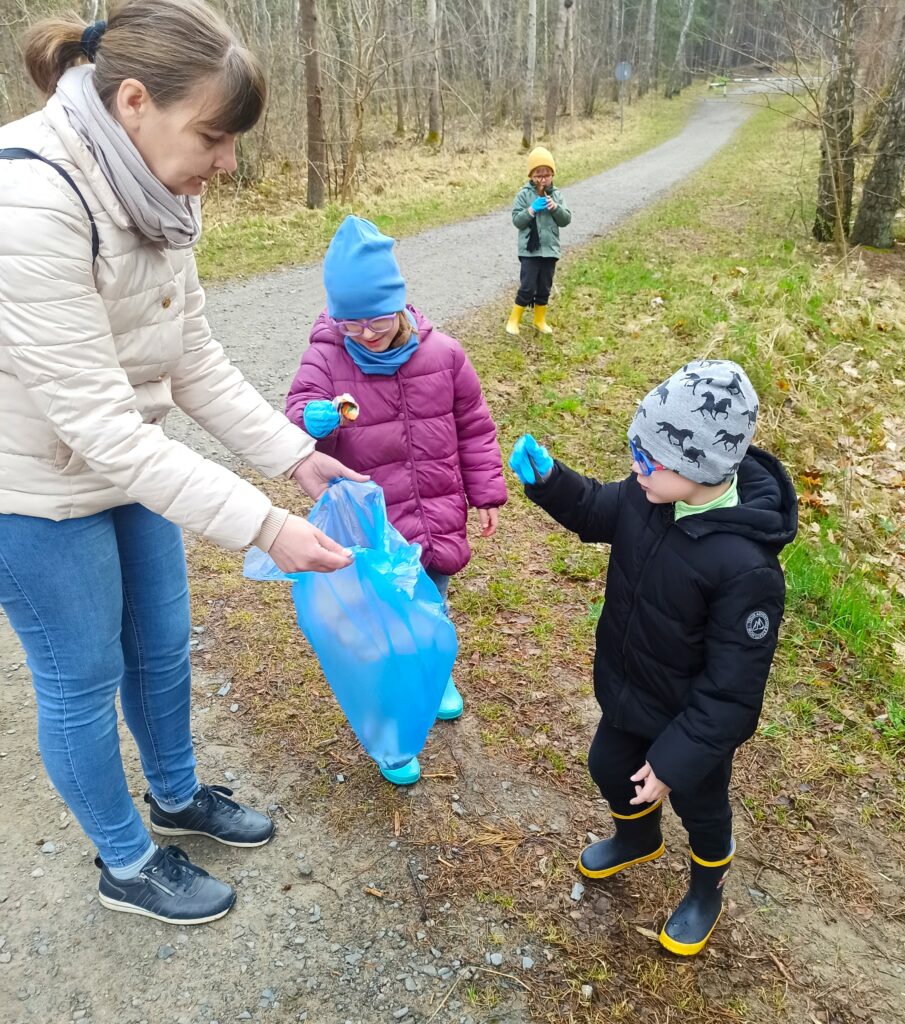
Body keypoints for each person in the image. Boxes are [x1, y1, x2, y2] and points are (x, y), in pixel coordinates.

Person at [0, 1, 369, 926]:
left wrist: (298, 460)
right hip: (32, 486)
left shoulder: (159, 194)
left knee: (160, 647)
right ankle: (124, 860)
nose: (228, 163)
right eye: (214, 136)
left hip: (123, 460)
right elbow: (103, 432)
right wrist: (267, 526)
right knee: (81, 676)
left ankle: (176, 795)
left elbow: (193, 359)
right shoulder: (33, 203)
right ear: (134, 102)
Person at [508, 360, 797, 956]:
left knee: (702, 808)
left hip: (692, 729)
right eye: (635, 453)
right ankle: (637, 839)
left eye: (648, 459)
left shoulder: (746, 569)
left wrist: (672, 761)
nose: (636, 468)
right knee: (610, 768)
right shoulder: (649, 497)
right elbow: (594, 508)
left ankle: (706, 887)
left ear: (697, 466)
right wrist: (551, 481)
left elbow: (731, 693)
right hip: (631, 690)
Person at [285, 215, 507, 785]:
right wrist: (311, 421)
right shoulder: (326, 358)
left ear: (401, 305)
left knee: (431, 603)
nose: (366, 334)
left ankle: (434, 677)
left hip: (434, 513)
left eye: (378, 321)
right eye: (350, 324)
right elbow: (295, 420)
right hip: (374, 526)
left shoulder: (446, 356)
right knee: (380, 626)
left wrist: (484, 491)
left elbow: (475, 426)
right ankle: (391, 724)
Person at [505, 146, 572, 338]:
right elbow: (517, 220)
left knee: (544, 286)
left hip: (550, 250)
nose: (543, 179)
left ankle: (539, 319)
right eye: (538, 175)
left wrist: (555, 208)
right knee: (527, 286)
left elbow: (566, 219)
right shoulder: (524, 195)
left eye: (547, 175)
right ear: (532, 176)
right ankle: (514, 320)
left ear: (552, 175)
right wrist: (531, 210)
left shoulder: (557, 195)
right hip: (529, 251)